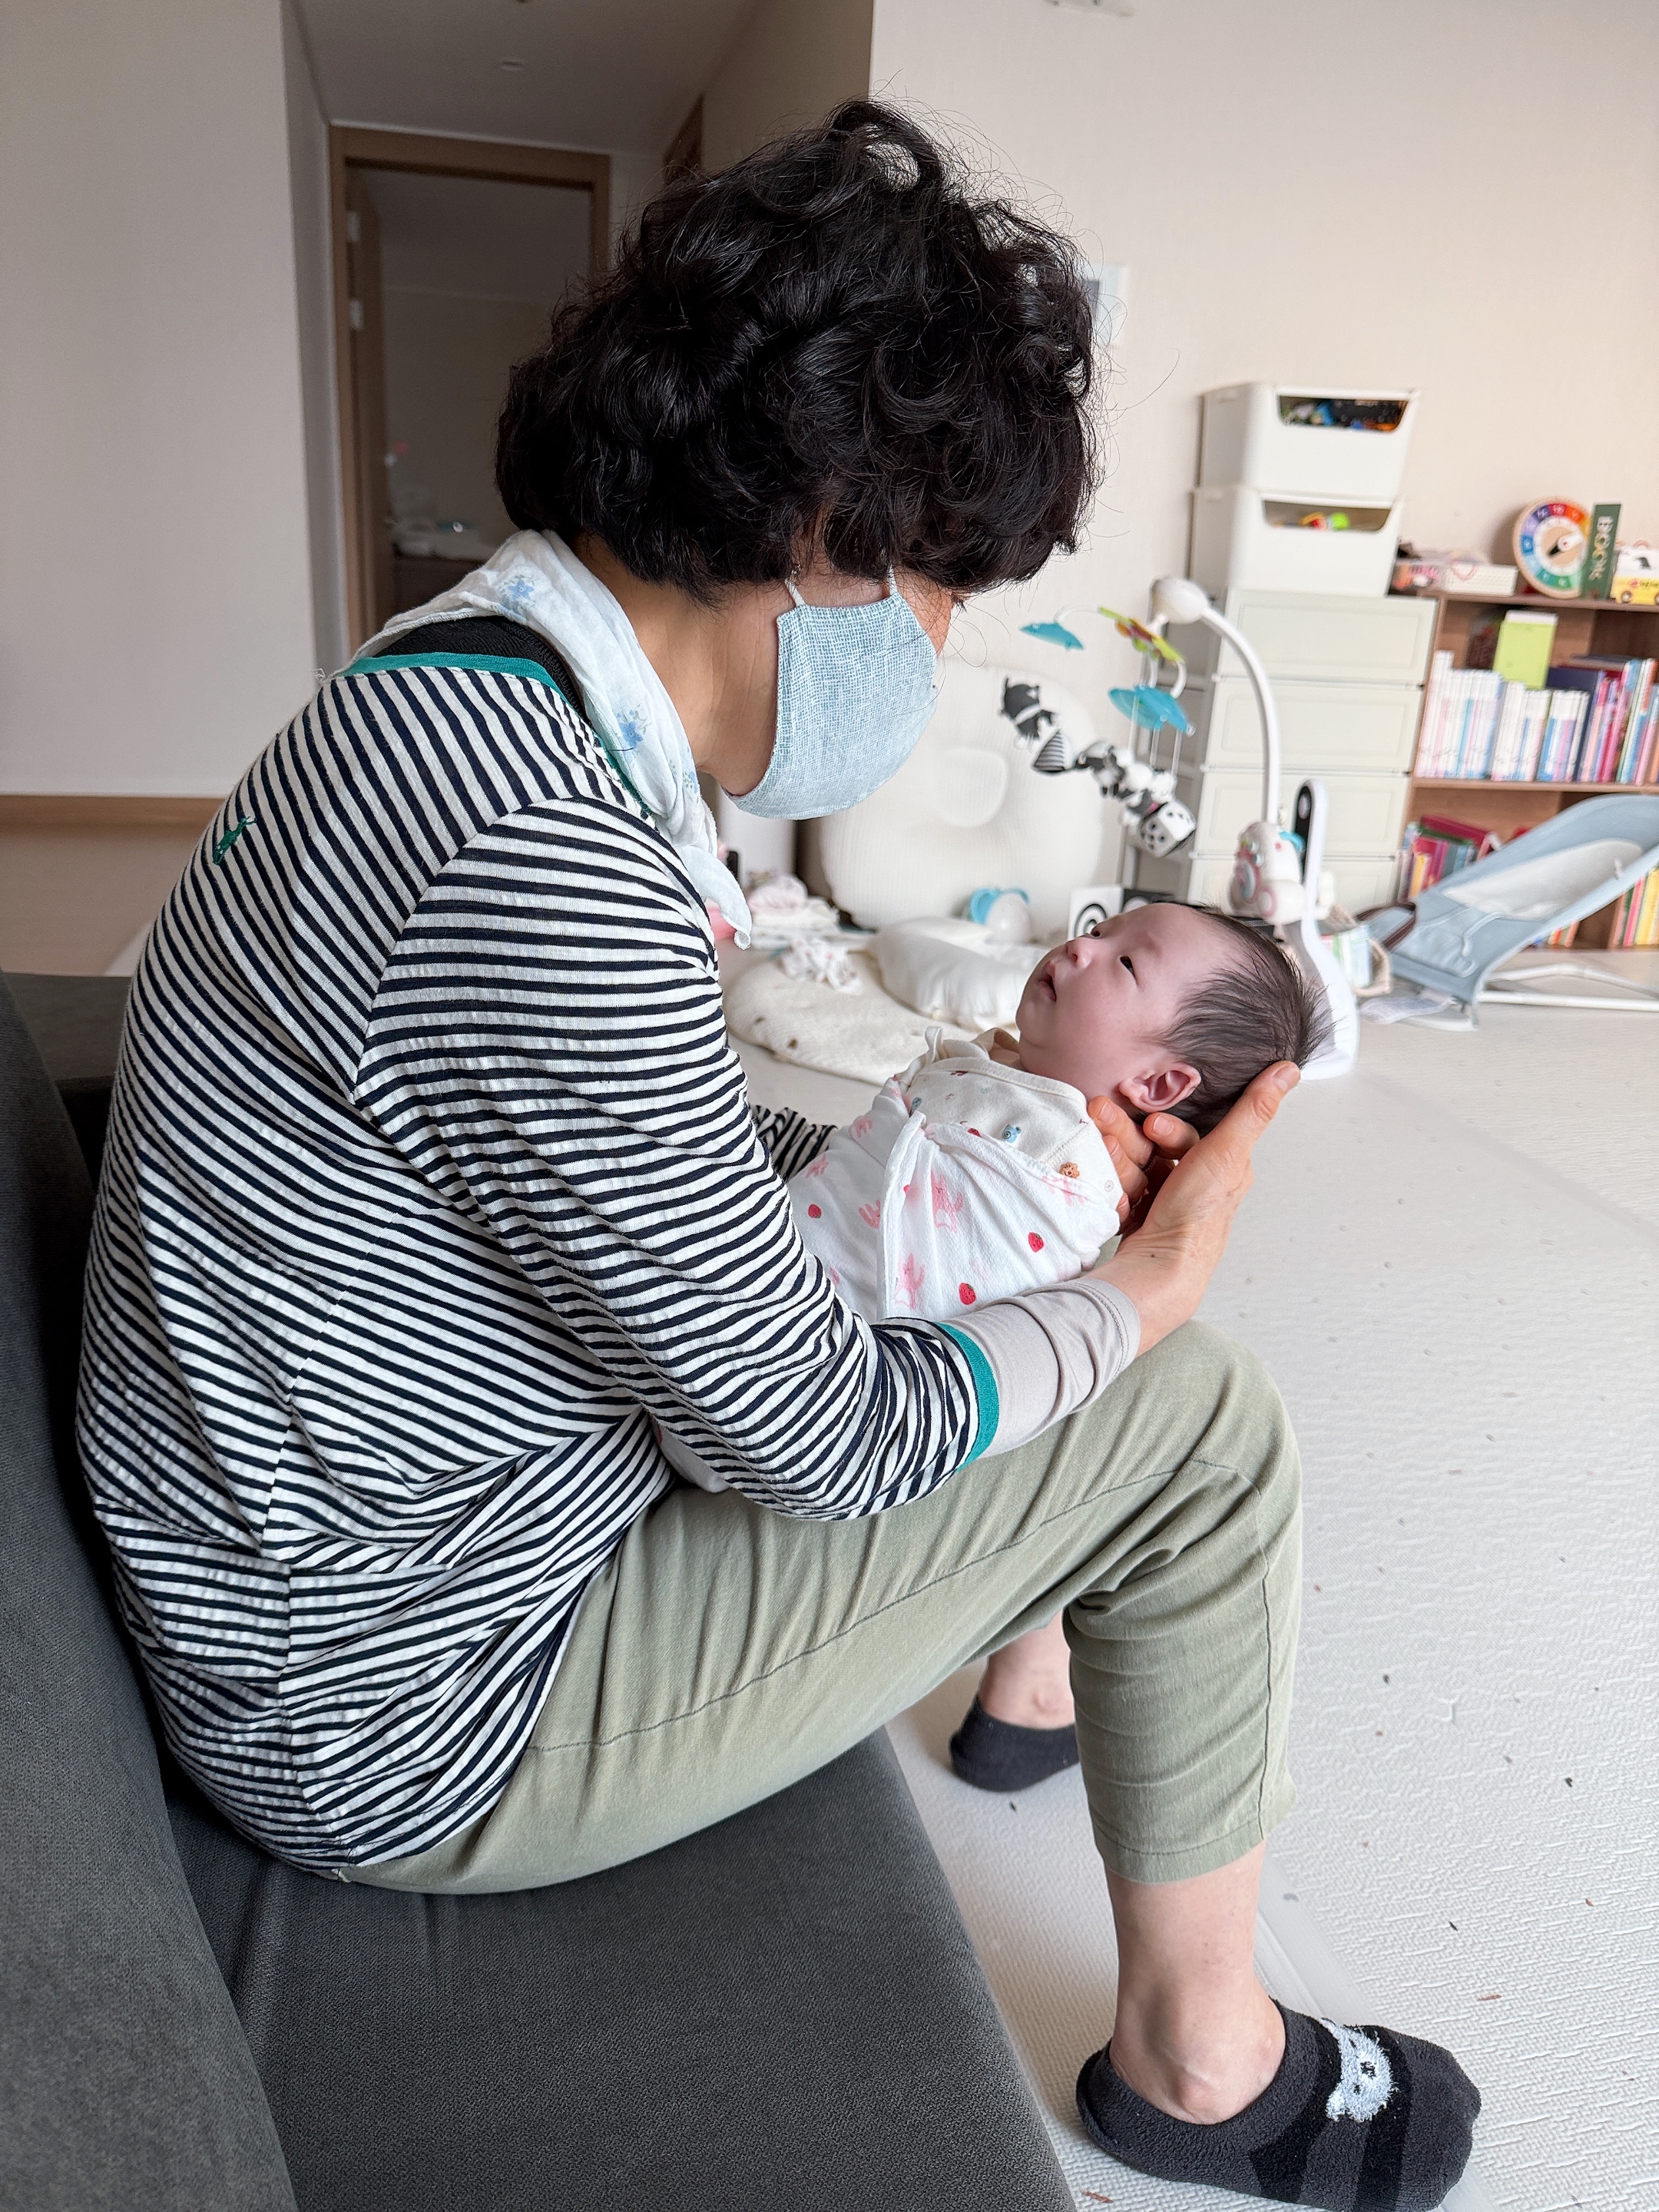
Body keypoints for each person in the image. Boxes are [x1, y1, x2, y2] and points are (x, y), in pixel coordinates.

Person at [77, 104, 1477, 2210]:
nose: (939, 656)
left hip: (340, 1559)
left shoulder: (453, 689)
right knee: (1195, 1414)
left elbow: (598, 1161)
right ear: (833, 532)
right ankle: (1206, 2065)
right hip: (407, 1704)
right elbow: (812, 1438)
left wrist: (935, 1160)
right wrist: (1147, 1282)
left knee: (989, 1264)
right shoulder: (534, 845)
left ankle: (1036, 1673)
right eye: (948, 597)